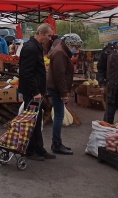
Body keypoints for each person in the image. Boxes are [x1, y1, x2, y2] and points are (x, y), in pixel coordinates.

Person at [18, 23, 56, 161]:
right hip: (31, 92)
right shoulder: (30, 48)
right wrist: (35, 91)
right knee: (32, 121)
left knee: (37, 120)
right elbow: (26, 72)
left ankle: (39, 149)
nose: (50, 38)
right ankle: (30, 150)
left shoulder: (36, 47)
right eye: (48, 35)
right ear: (40, 33)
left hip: (36, 90)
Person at [47, 33, 83, 155]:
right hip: (56, 89)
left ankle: (57, 142)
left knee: (59, 115)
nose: (76, 49)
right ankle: (56, 144)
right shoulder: (60, 53)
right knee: (59, 116)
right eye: (75, 46)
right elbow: (59, 75)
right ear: (69, 44)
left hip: (56, 88)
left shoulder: (61, 51)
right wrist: (64, 93)